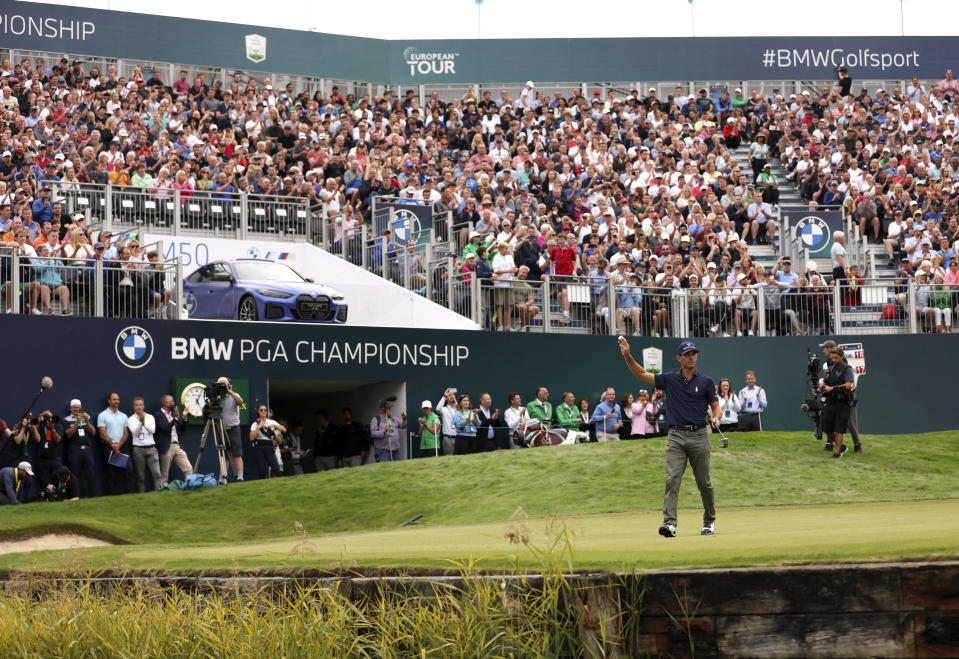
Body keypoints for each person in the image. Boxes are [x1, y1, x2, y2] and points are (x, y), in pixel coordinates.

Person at [618, 338, 721, 537]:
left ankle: (709, 520)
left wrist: (716, 417)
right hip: (676, 437)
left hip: (700, 436)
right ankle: (669, 523)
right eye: (688, 354)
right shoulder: (669, 379)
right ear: (679, 358)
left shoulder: (706, 382)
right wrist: (628, 356)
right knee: (672, 479)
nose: (692, 357)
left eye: (694, 353)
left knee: (704, 482)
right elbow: (640, 373)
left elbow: (716, 408)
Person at [821, 347, 855, 459]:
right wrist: (821, 389)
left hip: (843, 402)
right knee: (826, 427)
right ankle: (841, 447)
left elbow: (848, 385)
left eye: (836, 358)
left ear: (841, 357)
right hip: (831, 401)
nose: (834, 360)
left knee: (838, 429)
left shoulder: (847, 369)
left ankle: (837, 452)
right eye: (832, 358)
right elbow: (825, 384)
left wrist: (832, 388)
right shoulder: (830, 369)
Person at [97, 392, 132, 496]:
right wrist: (113, 445)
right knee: (112, 473)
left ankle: (128, 495)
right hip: (108, 447)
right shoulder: (102, 415)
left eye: (118, 399)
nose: (116, 401)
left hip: (122, 446)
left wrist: (119, 445)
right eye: (114, 399)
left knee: (128, 470)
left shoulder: (124, 416)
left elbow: (126, 433)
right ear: (109, 401)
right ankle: (113, 497)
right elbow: (102, 433)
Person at [155, 395, 191, 488]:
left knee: (188, 468)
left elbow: (182, 429)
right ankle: (164, 492)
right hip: (166, 447)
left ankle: (190, 486)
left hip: (177, 446)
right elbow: (165, 428)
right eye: (171, 402)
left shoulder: (173, 414)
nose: (173, 404)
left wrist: (183, 417)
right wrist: (175, 419)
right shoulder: (158, 415)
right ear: (165, 403)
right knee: (164, 475)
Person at [62, 399, 97, 498]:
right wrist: (77, 422)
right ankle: (75, 497)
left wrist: (86, 420)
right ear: (71, 408)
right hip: (74, 450)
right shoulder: (67, 419)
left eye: (78, 407)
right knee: (75, 475)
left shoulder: (87, 417)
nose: (76, 409)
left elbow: (93, 432)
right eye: (74, 407)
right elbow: (68, 434)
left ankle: (92, 496)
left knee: (90, 474)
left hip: (87, 450)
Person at [127, 396, 161, 493]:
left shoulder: (150, 417)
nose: (138, 407)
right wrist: (140, 423)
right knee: (140, 476)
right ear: (134, 407)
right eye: (136, 405)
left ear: (144, 406)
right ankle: (142, 496)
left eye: (140, 405)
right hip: (138, 449)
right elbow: (134, 433)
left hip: (151, 448)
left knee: (157, 474)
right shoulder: (130, 419)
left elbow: (153, 431)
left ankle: (159, 494)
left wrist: (144, 422)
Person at [216, 377, 246, 482]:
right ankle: (222, 478)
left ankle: (240, 477)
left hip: (234, 428)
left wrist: (229, 391)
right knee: (224, 455)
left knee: (237, 454)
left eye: (224, 384)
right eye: (221, 384)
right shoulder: (217, 397)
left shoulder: (234, 395)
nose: (223, 386)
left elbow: (240, 401)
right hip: (221, 428)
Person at [249, 404, 285, 478]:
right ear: (258, 412)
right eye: (261, 410)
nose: (263, 411)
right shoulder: (255, 424)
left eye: (265, 410)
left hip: (269, 447)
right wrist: (258, 427)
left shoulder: (272, 422)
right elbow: (251, 438)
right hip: (259, 447)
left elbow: (284, 429)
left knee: (276, 469)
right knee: (262, 470)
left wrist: (275, 426)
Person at [435, 388, 459, 456]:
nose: (451, 396)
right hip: (448, 438)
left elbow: (463, 413)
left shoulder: (457, 409)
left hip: (459, 438)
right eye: (449, 395)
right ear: (446, 398)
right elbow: (437, 409)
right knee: (449, 458)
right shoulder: (444, 409)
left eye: (453, 395)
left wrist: (456, 403)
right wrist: (444, 396)